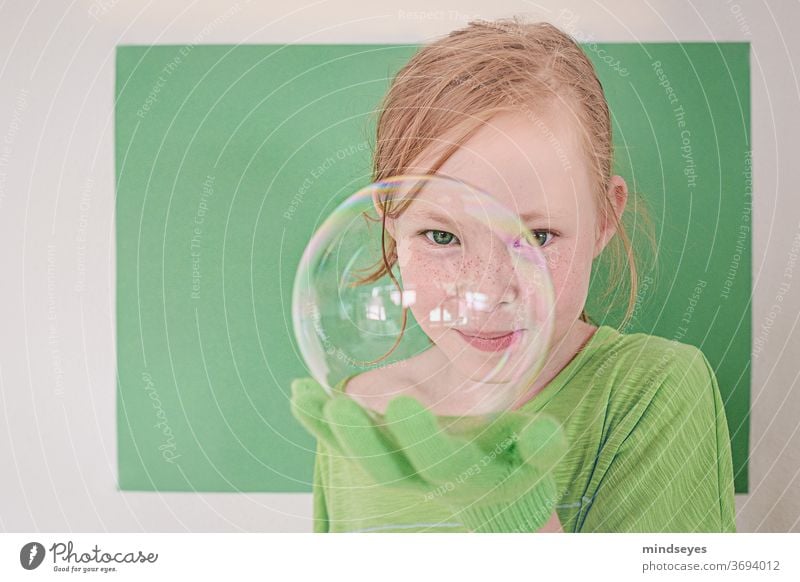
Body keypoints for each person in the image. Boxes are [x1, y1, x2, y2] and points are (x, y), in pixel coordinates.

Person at [290, 16, 737, 533]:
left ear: (604, 221)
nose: (487, 291)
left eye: (539, 237)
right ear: (392, 223)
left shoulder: (652, 390)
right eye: (441, 237)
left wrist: (519, 521)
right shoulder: (357, 415)